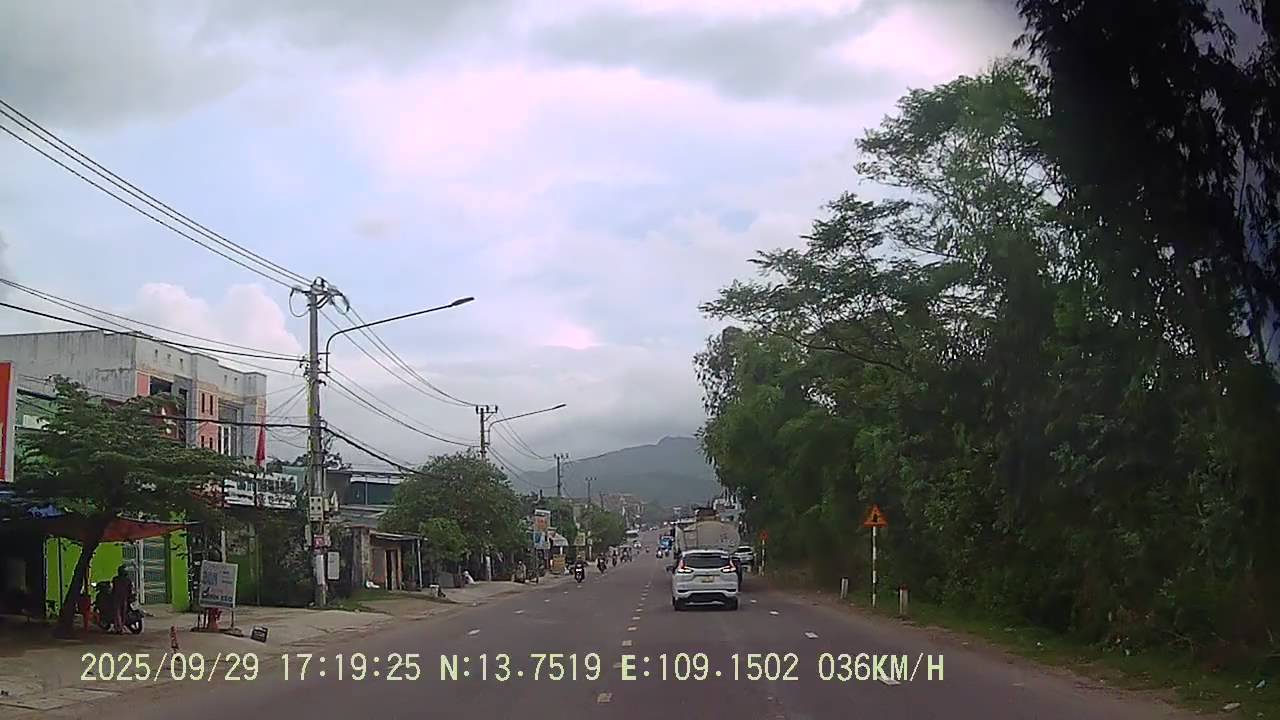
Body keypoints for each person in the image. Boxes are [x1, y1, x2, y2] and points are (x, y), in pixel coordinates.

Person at [110, 566, 133, 634]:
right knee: (123, 613)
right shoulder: (128, 580)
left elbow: (113, 589)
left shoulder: (115, 579)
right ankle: (120, 627)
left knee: (117, 613)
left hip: (117, 598)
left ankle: (119, 628)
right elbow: (130, 590)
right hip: (124, 598)